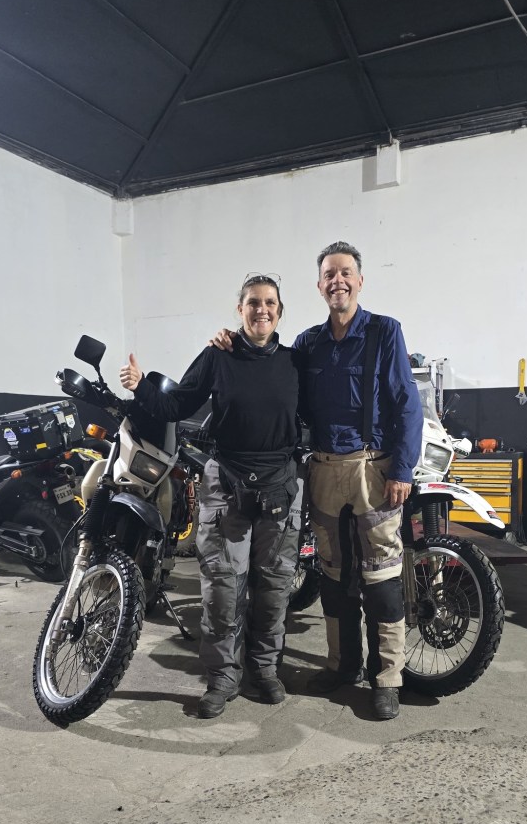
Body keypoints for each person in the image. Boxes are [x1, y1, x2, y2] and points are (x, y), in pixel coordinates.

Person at [212, 242, 423, 720]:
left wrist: (402, 470)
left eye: (345, 273)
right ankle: (343, 665)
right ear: (319, 285)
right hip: (323, 470)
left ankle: (386, 678)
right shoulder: (308, 343)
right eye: (329, 274)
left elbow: (407, 404)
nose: (337, 281)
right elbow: (268, 363)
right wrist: (230, 340)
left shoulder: (385, 332)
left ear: (360, 281)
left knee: (381, 578)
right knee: (332, 574)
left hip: (373, 469)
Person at [119, 274, 302, 719]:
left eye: (270, 303)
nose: (262, 310)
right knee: (222, 585)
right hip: (226, 482)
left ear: (280, 311)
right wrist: (141, 385)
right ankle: (223, 675)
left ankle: (264, 669)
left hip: (280, 484)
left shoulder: (296, 361)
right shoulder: (218, 356)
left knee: (274, 586)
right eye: (253, 302)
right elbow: (177, 405)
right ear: (240, 309)